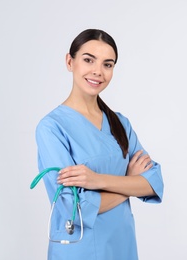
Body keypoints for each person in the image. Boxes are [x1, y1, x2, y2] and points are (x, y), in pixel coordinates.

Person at [35, 28, 164, 260]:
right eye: (88, 60)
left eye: (108, 64)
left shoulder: (120, 124)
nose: (98, 71)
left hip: (122, 245)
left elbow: (154, 182)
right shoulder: (52, 128)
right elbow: (75, 208)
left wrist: (97, 181)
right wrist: (130, 185)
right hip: (79, 250)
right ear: (69, 61)